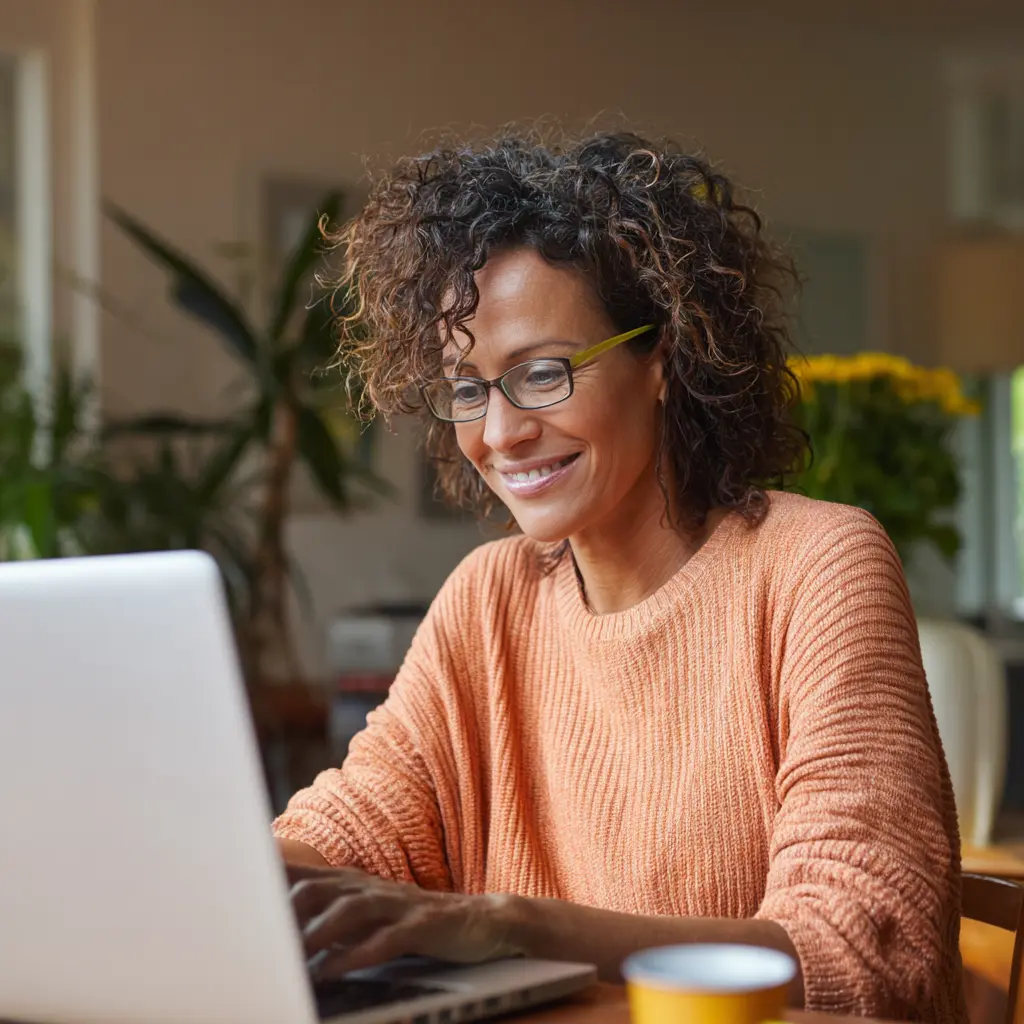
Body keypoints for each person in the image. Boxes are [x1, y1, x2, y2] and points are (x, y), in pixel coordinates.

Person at [273, 130, 964, 1021]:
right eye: (470, 387)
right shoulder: (489, 601)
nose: (501, 432)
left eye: (543, 373)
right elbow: (347, 835)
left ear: (664, 359)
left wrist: (509, 923)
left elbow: (857, 956)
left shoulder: (815, 569)